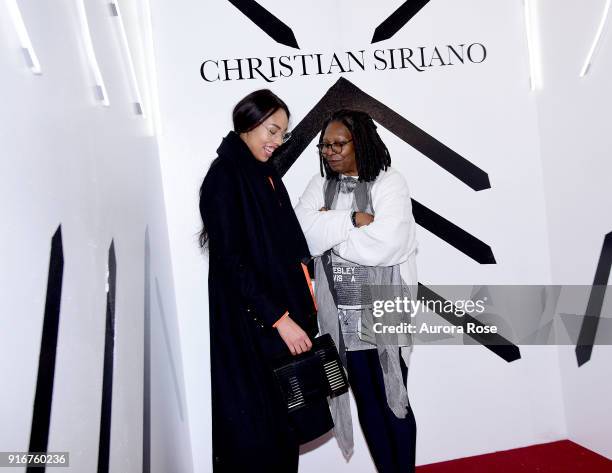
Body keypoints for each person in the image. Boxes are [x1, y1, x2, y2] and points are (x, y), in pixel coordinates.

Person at [198, 89, 330, 473]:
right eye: (271, 130)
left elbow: (283, 249)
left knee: (283, 432)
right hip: (254, 330)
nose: (276, 141)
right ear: (247, 122)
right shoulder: (224, 177)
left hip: (278, 324)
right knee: (258, 440)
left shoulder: (262, 173)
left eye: (282, 134)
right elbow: (231, 262)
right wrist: (280, 319)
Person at [295, 109, 418, 472]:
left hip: (384, 306)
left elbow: (388, 243)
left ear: (359, 141)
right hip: (341, 314)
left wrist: (330, 238)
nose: (330, 151)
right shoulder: (319, 184)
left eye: (338, 144)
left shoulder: (389, 181)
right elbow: (301, 234)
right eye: (324, 145)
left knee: (394, 399)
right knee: (366, 399)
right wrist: (352, 220)